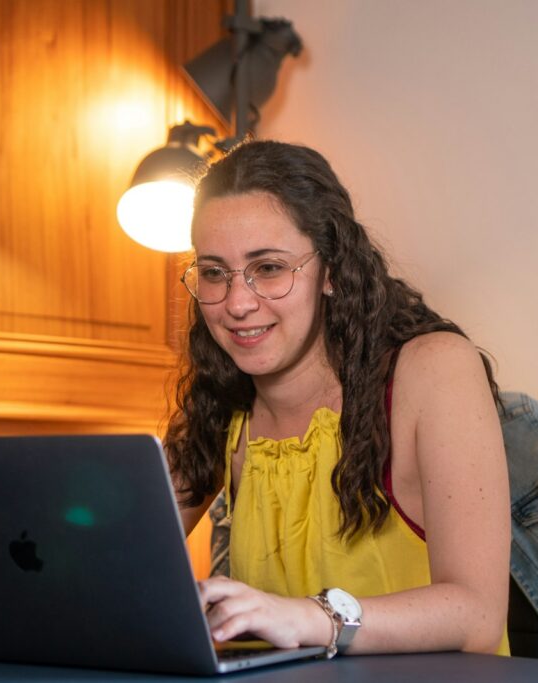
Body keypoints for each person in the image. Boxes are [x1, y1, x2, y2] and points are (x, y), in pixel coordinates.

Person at [164, 140, 511, 656]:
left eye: (269, 268)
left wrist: (312, 617)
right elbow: (115, 559)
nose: (237, 302)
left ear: (330, 269)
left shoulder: (433, 368)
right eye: (214, 273)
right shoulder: (224, 399)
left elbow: (478, 616)